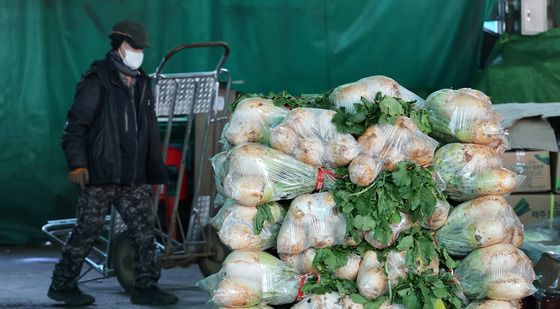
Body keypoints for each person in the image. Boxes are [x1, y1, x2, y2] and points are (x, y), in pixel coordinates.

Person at [47, 20, 178, 306]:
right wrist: (77, 164)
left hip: (132, 176)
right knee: (87, 231)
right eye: (134, 47)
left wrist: (151, 168)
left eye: (141, 48)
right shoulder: (98, 79)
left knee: (145, 232)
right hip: (100, 174)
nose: (139, 52)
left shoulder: (143, 81)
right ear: (119, 46)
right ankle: (63, 284)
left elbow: (146, 128)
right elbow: (75, 126)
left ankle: (145, 288)